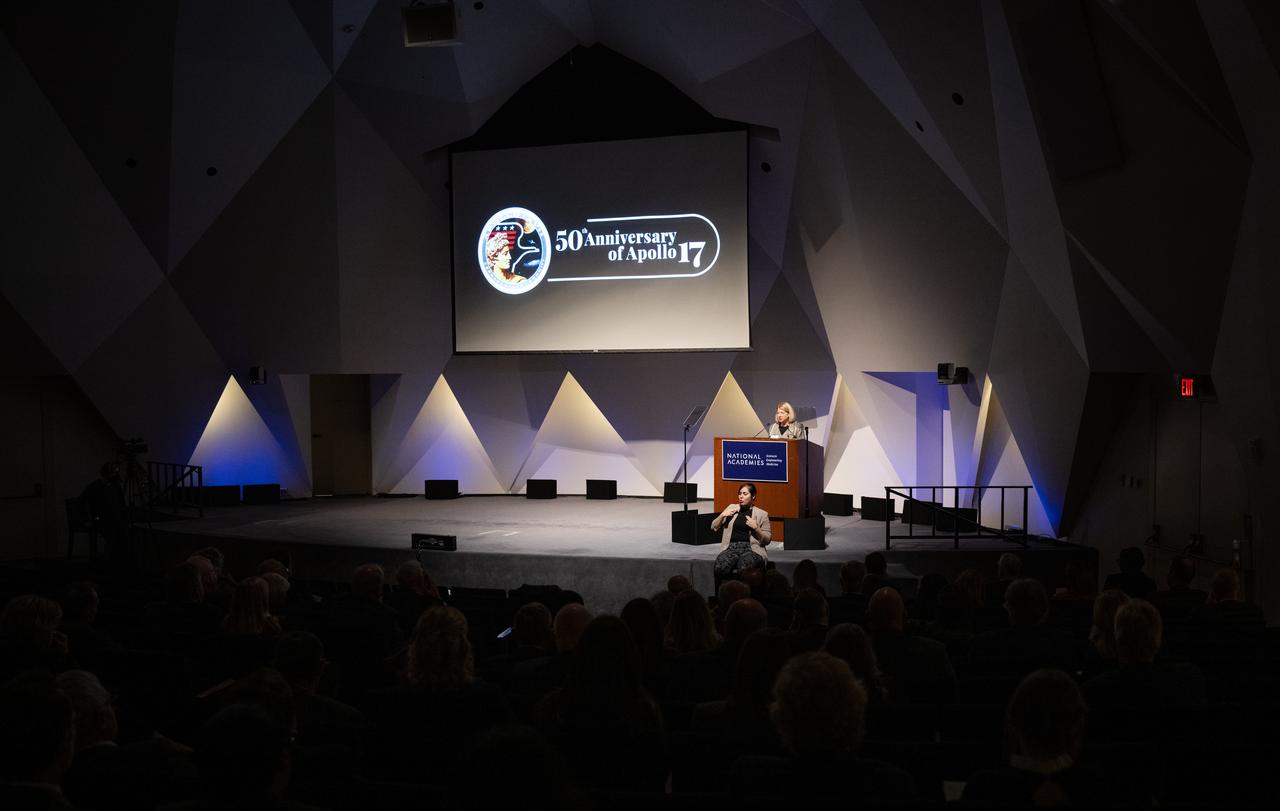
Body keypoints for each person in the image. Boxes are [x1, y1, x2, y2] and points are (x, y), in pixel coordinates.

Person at [712, 483, 772, 585]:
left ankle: (744, 597)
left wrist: (756, 528)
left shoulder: (762, 514)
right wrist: (722, 515)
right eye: (740, 493)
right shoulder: (731, 508)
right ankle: (722, 596)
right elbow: (714, 526)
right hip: (731, 548)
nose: (741, 496)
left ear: (753, 496)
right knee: (720, 567)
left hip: (751, 548)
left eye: (745, 493)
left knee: (744, 568)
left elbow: (767, 540)